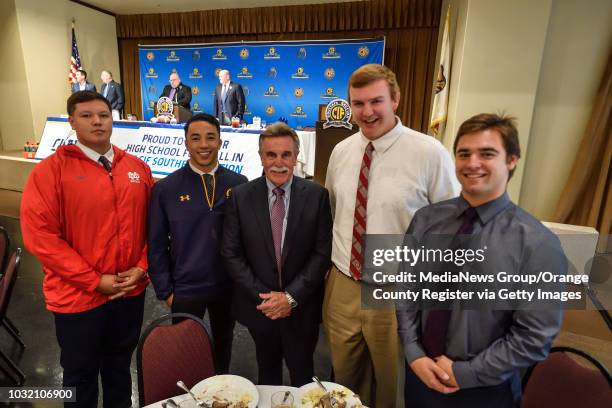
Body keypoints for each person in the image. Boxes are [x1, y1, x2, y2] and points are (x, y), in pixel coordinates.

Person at [397, 113, 565, 407]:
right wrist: (413, 351)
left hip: (484, 390)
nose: (472, 163)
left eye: (487, 154)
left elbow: (534, 336)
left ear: (512, 159)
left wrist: (466, 372)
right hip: (419, 376)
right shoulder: (426, 220)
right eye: (464, 154)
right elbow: (407, 289)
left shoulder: (539, 244)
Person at [323, 64, 459, 408]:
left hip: (397, 290)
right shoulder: (341, 152)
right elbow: (334, 215)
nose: (367, 112)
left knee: (392, 383)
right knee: (344, 380)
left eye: (376, 101)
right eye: (358, 103)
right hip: (343, 285)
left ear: (395, 99)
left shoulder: (429, 153)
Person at [20, 90, 153, 408]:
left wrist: (142, 267)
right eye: (86, 115)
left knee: (120, 370)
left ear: (112, 120)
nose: (97, 122)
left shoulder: (136, 168)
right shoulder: (50, 172)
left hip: (129, 293)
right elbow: (41, 237)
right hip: (78, 300)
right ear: (71, 122)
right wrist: (94, 280)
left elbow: (155, 229)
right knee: (79, 379)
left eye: (103, 115)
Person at [221, 122, 332, 386]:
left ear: (296, 157)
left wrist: (290, 298)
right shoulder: (240, 196)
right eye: (271, 155)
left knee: (303, 377)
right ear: (261, 157)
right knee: (266, 374)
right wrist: (269, 300)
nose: (279, 162)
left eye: (286, 155)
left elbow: (322, 253)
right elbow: (231, 253)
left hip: (302, 309)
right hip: (261, 308)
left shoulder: (317, 196)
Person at [148, 113, 247, 374]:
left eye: (210, 137)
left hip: (227, 286)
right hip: (185, 288)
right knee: (185, 349)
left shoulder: (239, 185)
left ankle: (222, 392)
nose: (204, 144)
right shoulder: (166, 188)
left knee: (223, 345)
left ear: (220, 141)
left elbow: (247, 239)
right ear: (186, 143)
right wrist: (165, 290)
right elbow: (156, 243)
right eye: (196, 138)